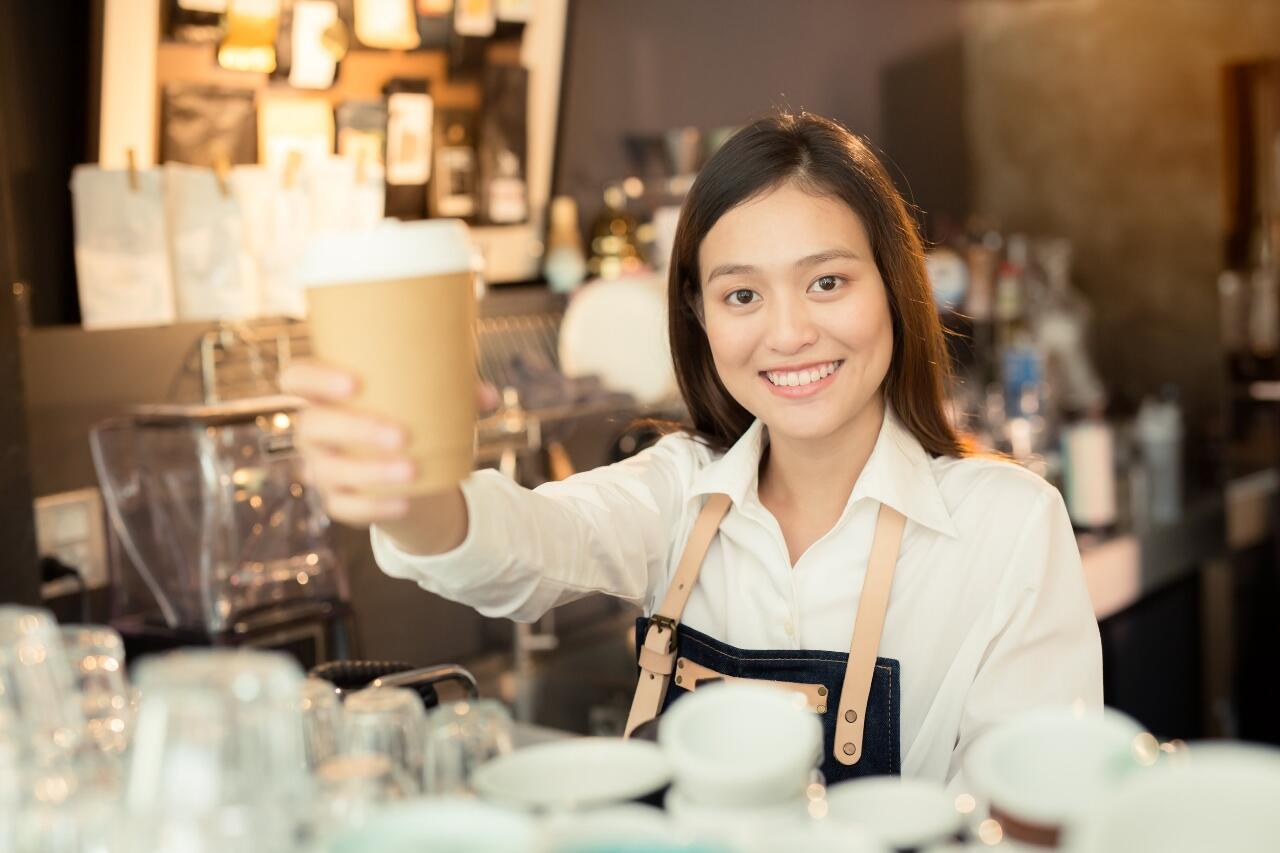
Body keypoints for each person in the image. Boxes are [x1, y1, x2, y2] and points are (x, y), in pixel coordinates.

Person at [282, 111, 1102, 790]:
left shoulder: (1008, 527)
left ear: (894, 283)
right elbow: (520, 547)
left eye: (827, 282)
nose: (787, 333)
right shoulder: (679, 491)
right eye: (742, 293)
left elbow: (1035, 814)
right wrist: (406, 487)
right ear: (701, 317)